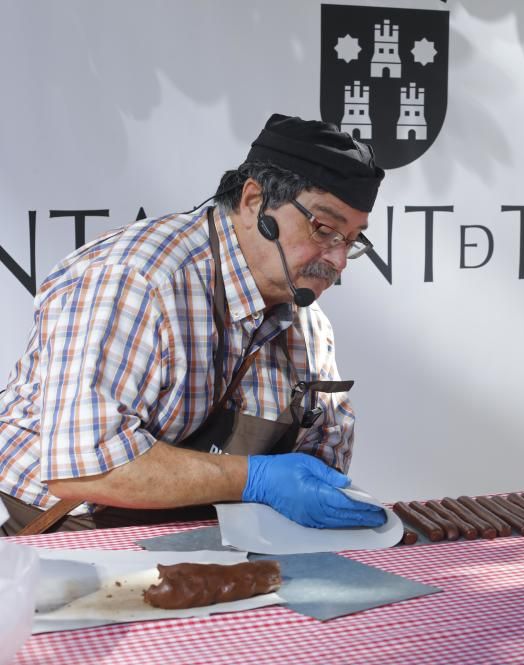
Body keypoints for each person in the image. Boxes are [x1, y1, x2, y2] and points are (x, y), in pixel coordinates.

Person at [0, 114, 390, 534]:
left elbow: (323, 448)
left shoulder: (306, 321)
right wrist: (256, 480)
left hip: (205, 528)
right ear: (254, 201)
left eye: (350, 240)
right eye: (324, 229)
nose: (336, 259)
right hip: (78, 523)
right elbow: (85, 466)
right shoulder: (138, 279)